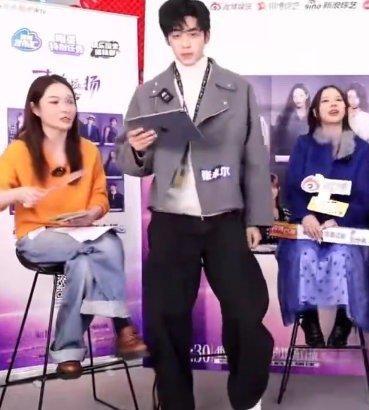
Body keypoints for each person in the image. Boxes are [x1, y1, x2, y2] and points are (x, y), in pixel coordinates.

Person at [115, 1, 273, 409]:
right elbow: (130, 161)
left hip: (225, 217)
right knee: (166, 317)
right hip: (171, 219)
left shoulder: (237, 88)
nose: (185, 43)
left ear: (206, 35)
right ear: (167, 40)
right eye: (176, 35)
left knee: (245, 309)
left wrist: (257, 219)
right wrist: (136, 148)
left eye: (192, 34)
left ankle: (247, 396)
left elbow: (255, 158)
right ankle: (175, 401)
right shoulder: (149, 92)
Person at [0, 75, 147, 379]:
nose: (65, 108)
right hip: (36, 238)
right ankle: (123, 327)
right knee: (104, 245)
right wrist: (17, 194)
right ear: (35, 109)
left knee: (85, 260)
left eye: (69, 101)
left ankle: (67, 351)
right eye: (54, 102)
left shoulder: (88, 150)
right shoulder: (19, 151)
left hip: (79, 235)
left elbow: (101, 198)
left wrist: (91, 213)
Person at [277, 85, 369, 348]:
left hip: (346, 225)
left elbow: (365, 197)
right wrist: (305, 216)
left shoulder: (361, 148)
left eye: (338, 100)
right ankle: (308, 318)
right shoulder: (303, 145)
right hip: (309, 225)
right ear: (315, 111)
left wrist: (340, 220)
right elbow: (292, 189)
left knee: (344, 255)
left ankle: (344, 321)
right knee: (302, 253)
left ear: (346, 108)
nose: (333, 104)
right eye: (326, 101)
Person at [346, 82, 369, 164]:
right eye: (349, 97)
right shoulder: (341, 117)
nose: (352, 100)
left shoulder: (367, 118)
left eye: (355, 97)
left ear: (360, 98)